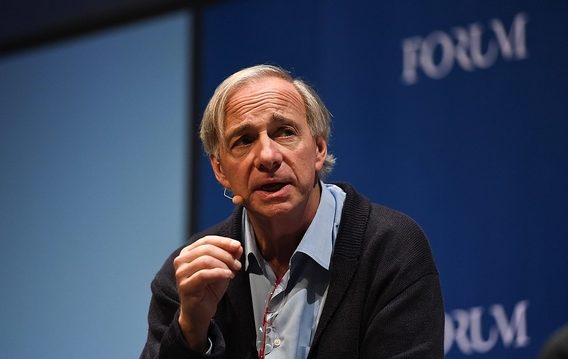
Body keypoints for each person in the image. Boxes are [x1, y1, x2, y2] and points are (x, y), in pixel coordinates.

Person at [139, 64, 444, 359]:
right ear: (219, 169)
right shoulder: (190, 276)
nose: (268, 156)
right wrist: (190, 331)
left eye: (284, 132)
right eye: (244, 140)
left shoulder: (390, 249)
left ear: (319, 149)